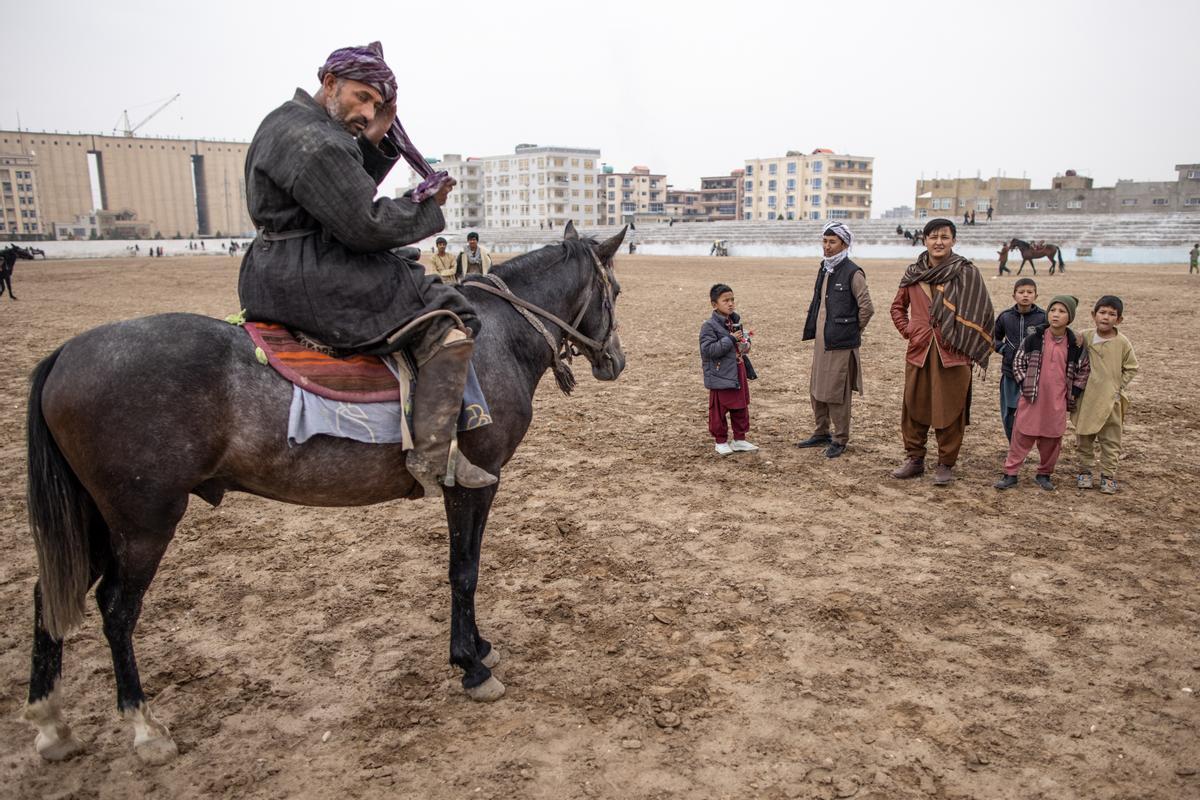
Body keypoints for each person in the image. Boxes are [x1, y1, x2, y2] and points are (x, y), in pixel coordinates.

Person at [237, 40, 496, 496]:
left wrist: (373, 140)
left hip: (273, 267)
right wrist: (426, 206)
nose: (368, 111)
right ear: (330, 83)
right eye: (363, 97)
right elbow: (364, 224)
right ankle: (435, 455)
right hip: (311, 273)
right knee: (447, 310)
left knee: (413, 276)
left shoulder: (288, 123)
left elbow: (334, 195)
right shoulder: (316, 141)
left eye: (376, 104)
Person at [890, 218, 995, 485]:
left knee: (951, 408)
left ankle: (946, 464)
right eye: (933, 236)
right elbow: (897, 308)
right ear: (924, 239)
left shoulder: (966, 272)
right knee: (914, 405)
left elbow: (982, 312)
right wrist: (910, 330)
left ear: (954, 241)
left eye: (945, 237)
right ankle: (915, 459)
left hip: (955, 352)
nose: (939, 242)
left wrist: (965, 340)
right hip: (920, 349)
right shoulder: (913, 273)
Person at [994, 295, 1090, 491]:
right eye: (1053, 310)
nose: (1056, 315)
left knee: (1052, 439)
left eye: (1062, 312)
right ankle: (1010, 474)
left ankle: (1044, 474)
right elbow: (1019, 362)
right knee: (1021, 435)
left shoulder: (1074, 343)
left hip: (1057, 401)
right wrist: (1024, 383)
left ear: (1069, 317)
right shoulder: (1034, 338)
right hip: (1031, 398)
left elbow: (1084, 369)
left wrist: (1074, 392)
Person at [796, 221, 874, 458]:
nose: (827, 247)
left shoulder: (853, 272)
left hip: (841, 344)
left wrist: (850, 331)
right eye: (824, 241)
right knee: (817, 387)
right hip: (822, 342)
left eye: (832, 242)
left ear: (844, 244)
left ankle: (840, 439)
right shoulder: (825, 267)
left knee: (837, 392)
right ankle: (821, 432)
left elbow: (867, 308)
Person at [1072, 296, 1138, 494]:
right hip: (1087, 399)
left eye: (1112, 314)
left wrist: (1117, 387)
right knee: (1084, 437)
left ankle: (1108, 475)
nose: (1106, 317)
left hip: (1111, 400)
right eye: (1102, 313)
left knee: (1111, 440)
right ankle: (1085, 471)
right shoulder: (1084, 337)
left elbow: (1132, 367)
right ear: (1094, 315)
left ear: (1119, 320)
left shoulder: (1122, 342)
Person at [700, 283, 758, 456]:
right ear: (714, 304)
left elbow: (740, 346)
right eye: (726, 300)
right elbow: (708, 350)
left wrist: (745, 343)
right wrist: (731, 339)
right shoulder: (709, 326)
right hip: (720, 374)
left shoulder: (735, 322)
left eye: (732, 299)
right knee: (719, 409)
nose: (731, 303)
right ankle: (721, 441)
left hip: (737, 370)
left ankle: (739, 439)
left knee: (740, 406)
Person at [993, 278, 1047, 440]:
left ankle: (1026, 444)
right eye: (1021, 292)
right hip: (1009, 373)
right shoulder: (1005, 317)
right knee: (1010, 412)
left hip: (1036, 374)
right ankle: (1013, 444)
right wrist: (1004, 349)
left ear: (1036, 296)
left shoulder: (1043, 318)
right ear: (1014, 295)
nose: (1025, 296)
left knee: (1032, 412)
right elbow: (992, 338)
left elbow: (1053, 339)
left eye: (1029, 292)